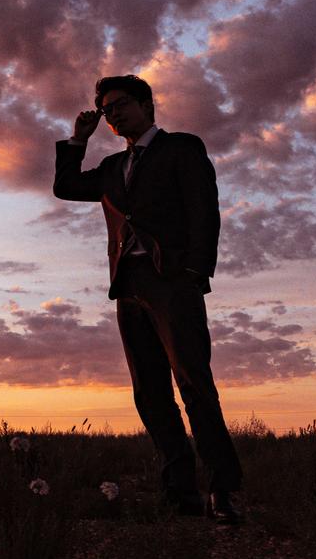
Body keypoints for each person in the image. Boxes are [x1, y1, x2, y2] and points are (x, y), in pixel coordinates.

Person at [53, 75, 243, 524]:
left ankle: (224, 492)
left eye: (119, 104)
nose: (113, 114)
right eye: (106, 109)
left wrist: (197, 271)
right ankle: (181, 493)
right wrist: (78, 139)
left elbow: (204, 209)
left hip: (173, 282)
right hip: (129, 285)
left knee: (195, 385)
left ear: (146, 104)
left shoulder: (181, 147)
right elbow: (65, 187)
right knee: (150, 394)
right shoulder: (111, 170)